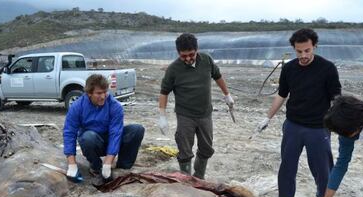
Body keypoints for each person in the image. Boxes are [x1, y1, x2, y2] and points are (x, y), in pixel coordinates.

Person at [257, 28, 341, 197]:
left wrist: (338, 122)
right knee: (287, 166)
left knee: (322, 167)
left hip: (319, 128)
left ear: (314, 47)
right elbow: (281, 95)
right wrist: (267, 117)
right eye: (299, 51)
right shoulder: (289, 68)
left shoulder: (327, 68)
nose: (303, 55)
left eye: (307, 51)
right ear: (294, 49)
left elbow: (336, 99)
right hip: (293, 125)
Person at [158, 33, 234, 179]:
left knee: (206, 147)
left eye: (191, 54)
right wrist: (162, 116)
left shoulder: (206, 60)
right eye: (183, 56)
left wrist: (227, 95)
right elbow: (164, 92)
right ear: (178, 53)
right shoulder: (173, 69)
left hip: (205, 113)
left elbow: (217, 76)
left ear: (197, 49)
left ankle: (199, 177)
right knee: (184, 148)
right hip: (185, 115)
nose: (187, 59)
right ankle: (186, 178)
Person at [63, 74, 145, 186]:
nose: (103, 96)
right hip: (93, 143)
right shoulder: (77, 106)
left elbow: (115, 133)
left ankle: (122, 167)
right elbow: (69, 133)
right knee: (87, 137)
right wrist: (72, 164)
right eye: (98, 93)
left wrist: (108, 162)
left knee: (137, 129)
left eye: (105, 92)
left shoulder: (115, 106)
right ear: (89, 93)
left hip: (111, 140)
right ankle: (96, 167)